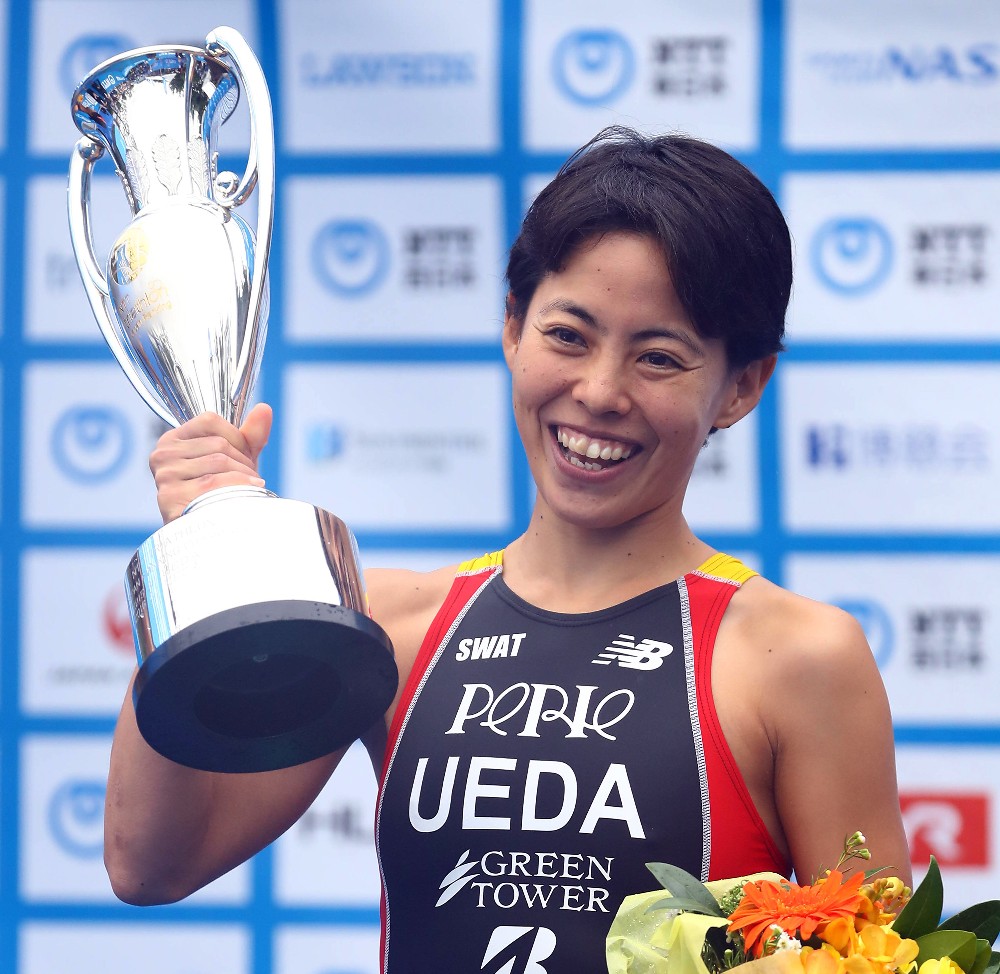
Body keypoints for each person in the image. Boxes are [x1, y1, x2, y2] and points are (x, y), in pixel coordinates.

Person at [104, 127, 912, 972]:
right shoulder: (391, 625)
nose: (599, 392)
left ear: (742, 385)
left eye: (658, 357)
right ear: (513, 328)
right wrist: (204, 549)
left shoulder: (797, 658)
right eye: (568, 335)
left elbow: (876, 955)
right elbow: (150, 861)